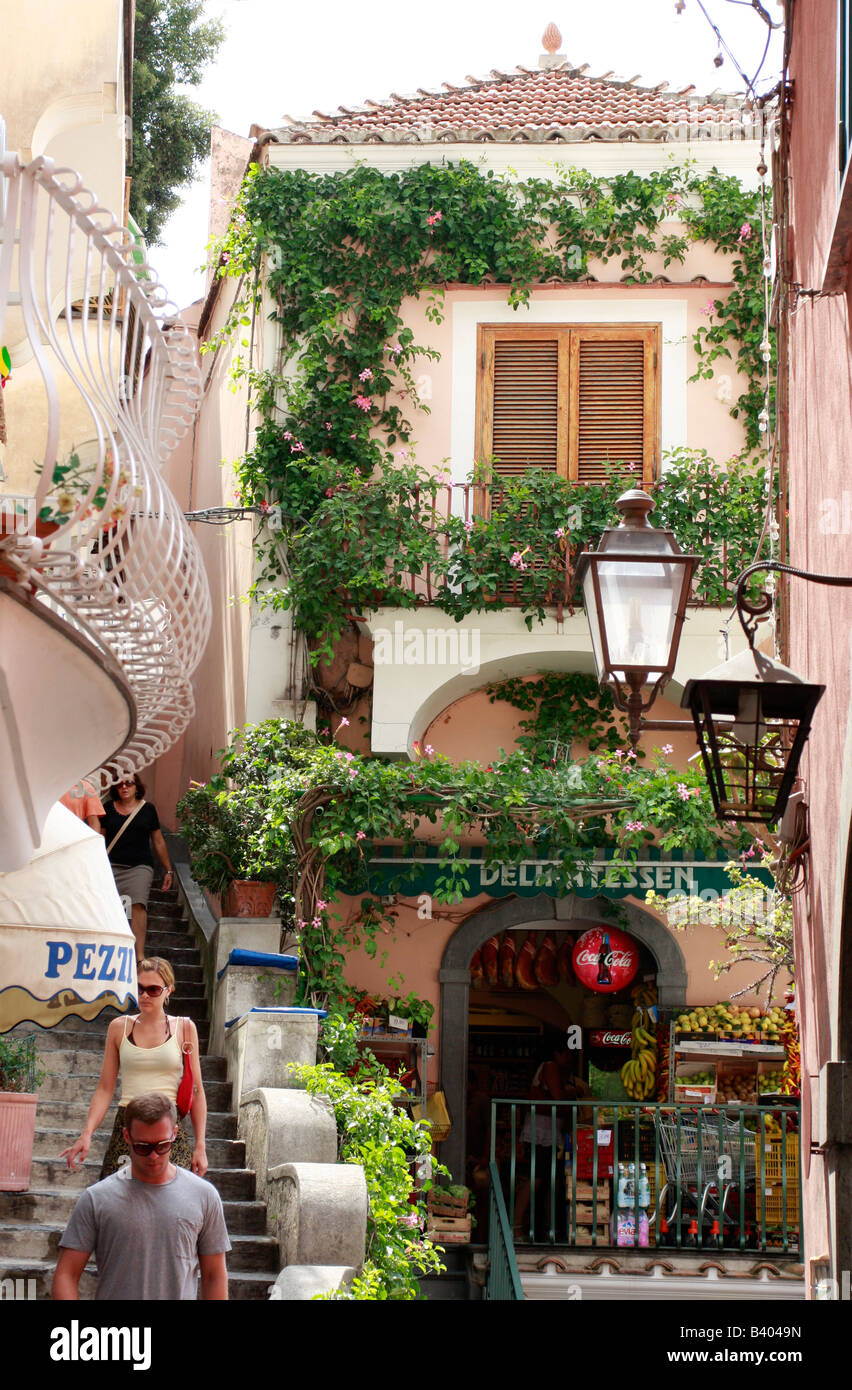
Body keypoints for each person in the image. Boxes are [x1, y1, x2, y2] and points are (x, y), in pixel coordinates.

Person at [53, 1092, 230, 1301]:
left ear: (174, 1134)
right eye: (143, 1147)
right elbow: (66, 1274)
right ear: (127, 1137)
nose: (153, 1156)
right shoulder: (97, 1199)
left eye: (162, 1146)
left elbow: (214, 1275)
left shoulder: (204, 1196)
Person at [59, 957, 207, 1180]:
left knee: (174, 1200)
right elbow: (105, 1088)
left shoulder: (185, 1028)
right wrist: (87, 1133)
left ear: (169, 991)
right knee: (116, 1201)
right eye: (139, 988)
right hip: (128, 1121)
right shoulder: (119, 1027)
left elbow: (196, 1090)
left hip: (167, 1124)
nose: (144, 995)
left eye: (153, 989)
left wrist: (201, 1145)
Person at [513, 1034, 591, 1241]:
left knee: (546, 1180)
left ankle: (546, 1229)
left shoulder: (549, 1069)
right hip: (542, 1134)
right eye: (566, 1053)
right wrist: (576, 1091)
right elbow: (557, 1097)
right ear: (556, 1053)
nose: (568, 1058)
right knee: (537, 1179)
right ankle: (516, 1226)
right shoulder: (550, 1066)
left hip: (545, 1133)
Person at [100, 771, 173, 959]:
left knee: (138, 904)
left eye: (129, 783)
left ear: (137, 787)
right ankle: (108, 949)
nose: (124, 787)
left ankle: (138, 956)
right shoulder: (108, 808)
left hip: (139, 867)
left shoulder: (147, 810)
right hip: (111, 865)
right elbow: (99, 838)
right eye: (120, 784)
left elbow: (158, 841)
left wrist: (168, 869)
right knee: (106, 905)